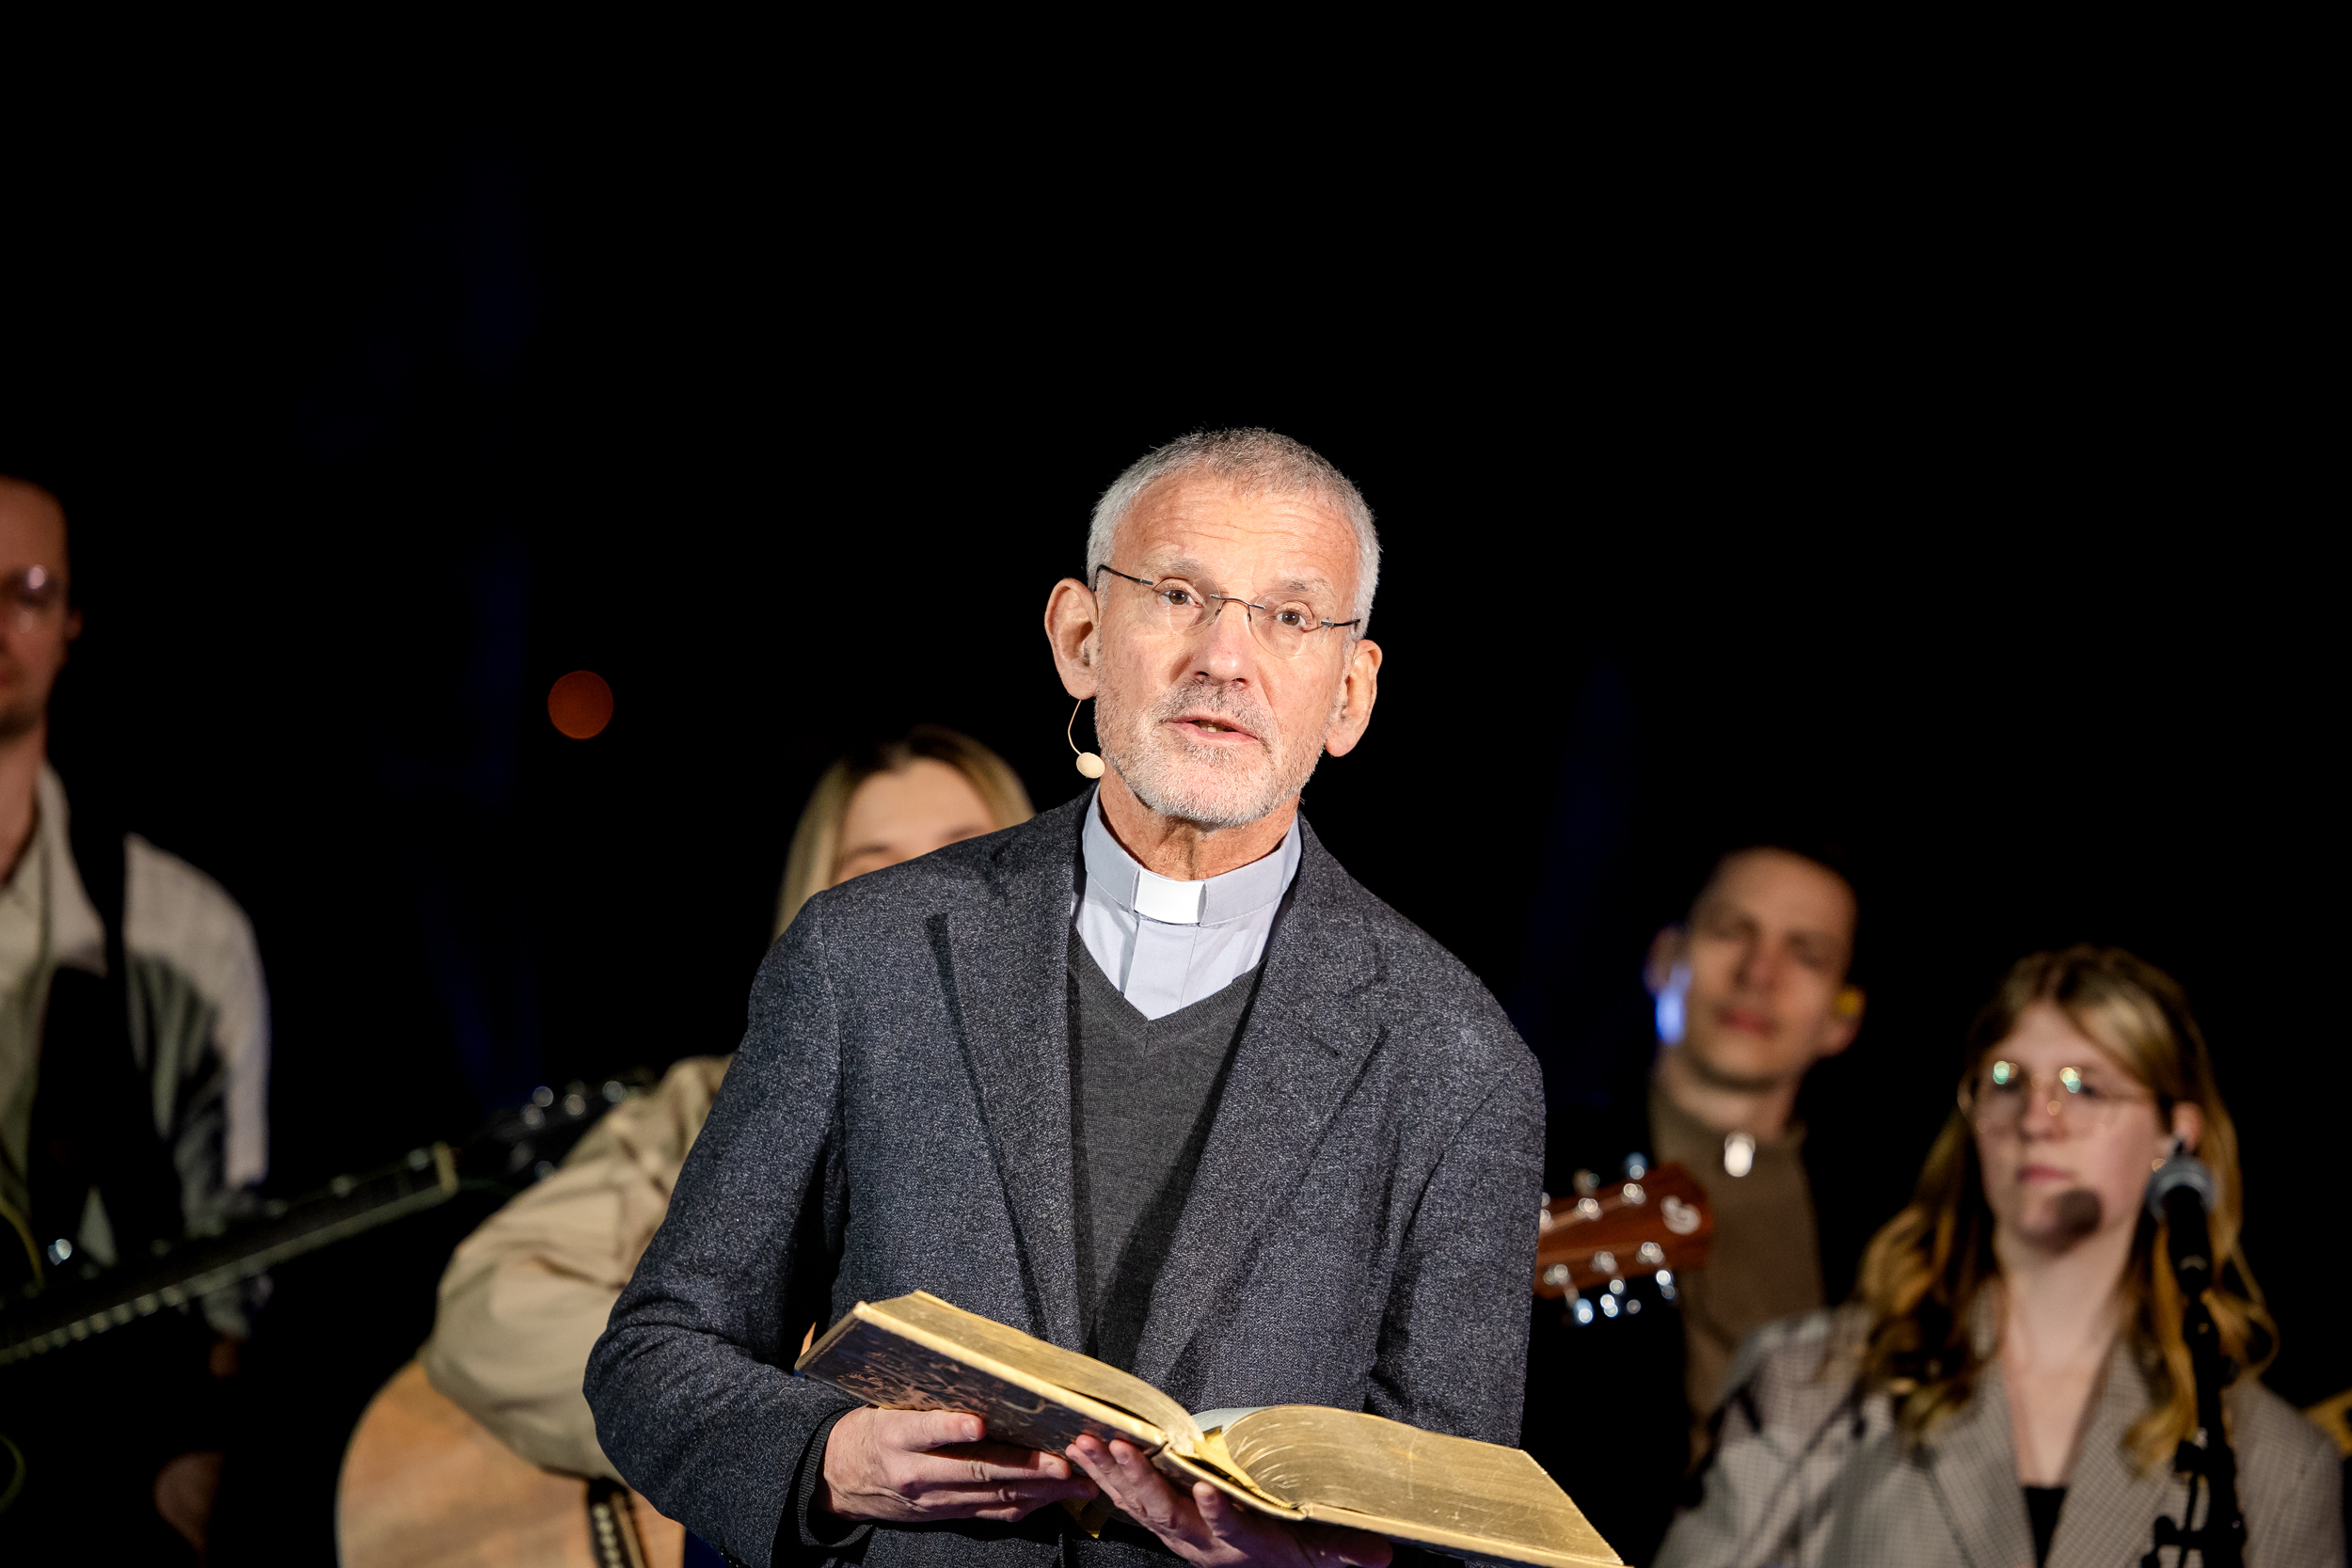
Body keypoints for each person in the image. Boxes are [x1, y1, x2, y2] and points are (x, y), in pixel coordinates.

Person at [584, 428, 1546, 1568]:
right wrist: (826, 1458)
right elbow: (653, 1357)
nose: (1224, 657)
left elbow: (1462, 1521)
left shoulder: (1458, 1059)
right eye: (1178, 594)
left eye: (1289, 616)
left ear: (1349, 693)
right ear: (1080, 637)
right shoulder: (863, 956)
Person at [420, 726, 1032, 1479]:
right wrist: (773, 1432)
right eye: (873, 872)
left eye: (962, 854)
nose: (915, 896)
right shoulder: (707, 1103)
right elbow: (493, 1305)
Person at [1656, 944, 2344, 1567]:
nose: (2036, 1119)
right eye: (2008, 1079)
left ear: (2175, 1135)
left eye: (2085, 1086)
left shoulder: (2277, 1463)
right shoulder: (1812, 1381)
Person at [0, 475, 272, 1558]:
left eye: (27, 589)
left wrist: (196, 1457)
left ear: (71, 621)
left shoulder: (185, 933)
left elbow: (228, 1262)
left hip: (85, 1475)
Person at [1519, 844, 1866, 1562]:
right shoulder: (1523, 1165)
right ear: (1664, 958)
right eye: (1732, 930)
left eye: (1805, 954)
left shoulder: (1884, 1230)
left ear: (1843, 1017)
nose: (1759, 973)